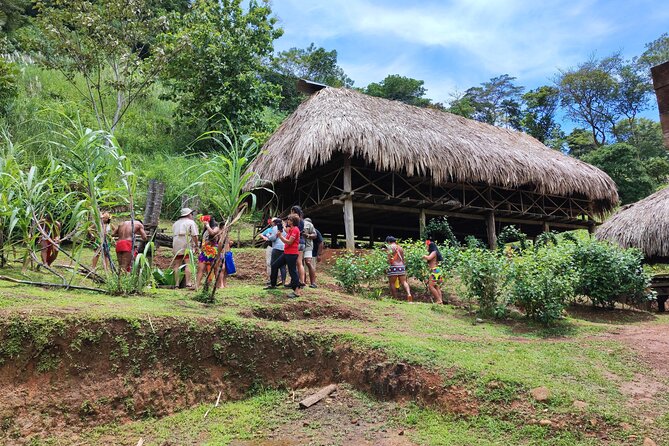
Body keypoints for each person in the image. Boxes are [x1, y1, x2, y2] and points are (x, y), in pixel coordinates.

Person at [265, 213, 301, 298]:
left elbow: (289, 242)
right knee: (274, 265)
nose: (287, 221)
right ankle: (273, 284)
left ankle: (297, 291)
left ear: (292, 221)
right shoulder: (291, 229)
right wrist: (282, 225)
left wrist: (280, 236)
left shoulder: (295, 230)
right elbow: (286, 230)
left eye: (289, 220)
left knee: (293, 272)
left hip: (292, 254)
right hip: (286, 253)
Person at [172, 208, 199, 287]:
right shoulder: (191, 222)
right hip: (186, 242)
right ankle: (188, 282)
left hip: (176, 242)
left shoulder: (176, 223)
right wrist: (197, 245)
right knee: (188, 262)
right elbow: (194, 235)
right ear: (188, 214)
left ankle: (176, 283)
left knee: (177, 264)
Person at [195, 216, 220, 290]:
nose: (203, 223)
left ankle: (217, 285)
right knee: (200, 268)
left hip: (213, 251)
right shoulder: (205, 230)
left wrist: (207, 225)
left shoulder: (216, 227)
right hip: (204, 251)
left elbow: (212, 234)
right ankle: (197, 286)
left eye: (204, 221)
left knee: (215, 268)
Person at [385, 236, 412, 302]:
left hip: (393, 266)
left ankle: (395, 298)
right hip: (401, 267)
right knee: (404, 282)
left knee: (392, 283)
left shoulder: (390, 247)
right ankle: (409, 294)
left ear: (388, 241)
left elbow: (388, 258)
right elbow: (403, 259)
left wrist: (386, 265)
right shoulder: (400, 247)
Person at [423, 238, 444, 304]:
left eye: (427, 246)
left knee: (431, 286)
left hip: (435, 270)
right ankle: (440, 301)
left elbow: (429, 258)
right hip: (437, 270)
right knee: (436, 286)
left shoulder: (434, 252)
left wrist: (423, 256)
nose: (427, 247)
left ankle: (438, 300)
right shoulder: (435, 252)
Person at [266, 217, 287, 286]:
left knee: (273, 264)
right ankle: (283, 281)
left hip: (277, 247)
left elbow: (273, 238)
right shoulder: (285, 228)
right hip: (284, 247)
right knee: (283, 266)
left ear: (274, 223)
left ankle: (273, 283)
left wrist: (268, 235)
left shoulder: (275, 227)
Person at [291, 205, 306, 288]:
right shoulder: (302, 220)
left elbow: (290, 230)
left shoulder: (294, 220)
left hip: (296, 242)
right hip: (302, 242)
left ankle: (294, 281)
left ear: (293, 211)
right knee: (300, 263)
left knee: (293, 263)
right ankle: (302, 281)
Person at [258, 218, 276, 283]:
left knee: (276, 263)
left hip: (277, 247)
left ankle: (277, 279)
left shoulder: (279, 229)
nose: (273, 223)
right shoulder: (269, 229)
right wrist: (264, 237)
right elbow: (260, 234)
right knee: (268, 263)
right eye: (272, 221)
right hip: (270, 246)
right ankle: (270, 278)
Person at [303, 217, 318, 288]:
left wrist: (308, 235)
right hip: (299, 246)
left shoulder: (310, 226)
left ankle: (313, 283)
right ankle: (303, 281)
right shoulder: (296, 223)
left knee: (308, 262)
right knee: (300, 263)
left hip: (308, 246)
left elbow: (315, 235)